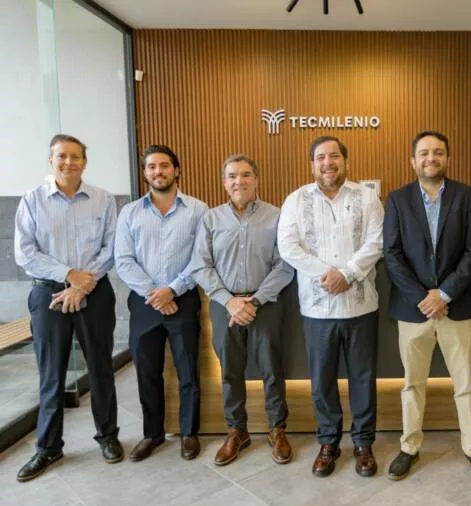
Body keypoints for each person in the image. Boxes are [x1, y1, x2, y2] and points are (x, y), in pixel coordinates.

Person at [383, 131, 471, 484]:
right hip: (413, 308)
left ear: (447, 158)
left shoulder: (466, 195)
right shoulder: (397, 199)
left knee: (466, 384)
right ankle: (409, 447)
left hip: (456, 306)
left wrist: (443, 294)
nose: (430, 158)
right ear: (413, 160)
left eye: (438, 152)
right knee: (411, 384)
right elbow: (392, 254)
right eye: (424, 153)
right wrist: (423, 296)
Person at [14, 134, 123, 481]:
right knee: (51, 373)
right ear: (51, 160)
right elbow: (25, 253)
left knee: (101, 369)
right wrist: (68, 275)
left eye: (75, 156)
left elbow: (112, 247)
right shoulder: (32, 200)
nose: (68, 162)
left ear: (84, 162)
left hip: (95, 292)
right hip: (48, 294)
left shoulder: (103, 199)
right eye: (61, 156)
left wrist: (82, 284)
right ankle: (48, 447)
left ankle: (108, 436)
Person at [278, 136, 383, 477]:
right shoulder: (296, 200)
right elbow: (288, 247)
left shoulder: (367, 197)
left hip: (360, 306)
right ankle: (328, 442)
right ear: (312, 164)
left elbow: (377, 242)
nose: (328, 163)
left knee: (363, 378)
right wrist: (329, 275)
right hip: (317, 309)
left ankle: (364, 443)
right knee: (322, 380)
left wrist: (347, 274)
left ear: (345, 161)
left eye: (334, 156)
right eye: (320, 157)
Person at [192, 154, 295, 466]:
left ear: (256, 179)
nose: (239, 181)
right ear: (224, 183)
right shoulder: (211, 219)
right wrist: (230, 301)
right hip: (226, 307)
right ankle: (237, 430)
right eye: (232, 176)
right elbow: (201, 265)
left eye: (246, 175)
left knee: (271, 370)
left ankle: (277, 429)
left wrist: (256, 300)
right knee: (230, 371)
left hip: (266, 305)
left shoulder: (276, 216)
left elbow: (284, 265)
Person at [115, 144, 208, 462]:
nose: (158, 171)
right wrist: (155, 294)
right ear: (145, 173)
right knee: (147, 371)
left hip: (184, 300)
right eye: (152, 166)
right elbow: (123, 260)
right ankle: (152, 434)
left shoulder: (198, 210)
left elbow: (201, 258)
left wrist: (173, 290)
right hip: (144, 303)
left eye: (165, 165)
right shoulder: (130, 213)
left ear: (176, 170)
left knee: (188, 371)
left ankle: (189, 433)